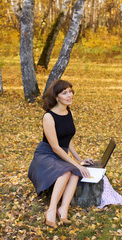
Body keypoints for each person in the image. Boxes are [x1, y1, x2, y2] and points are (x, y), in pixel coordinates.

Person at [28, 79, 94, 228]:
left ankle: (63, 209)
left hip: (59, 155)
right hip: (45, 155)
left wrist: (80, 160)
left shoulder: (68, 111)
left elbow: (67, 139)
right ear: (56, 96)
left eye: (70, 91)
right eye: (65, 93)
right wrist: (76, 163)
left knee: (76, 172)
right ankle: (50, 211)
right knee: (66, 172)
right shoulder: (48, 117)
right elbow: (56, 147)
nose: (69, 95)